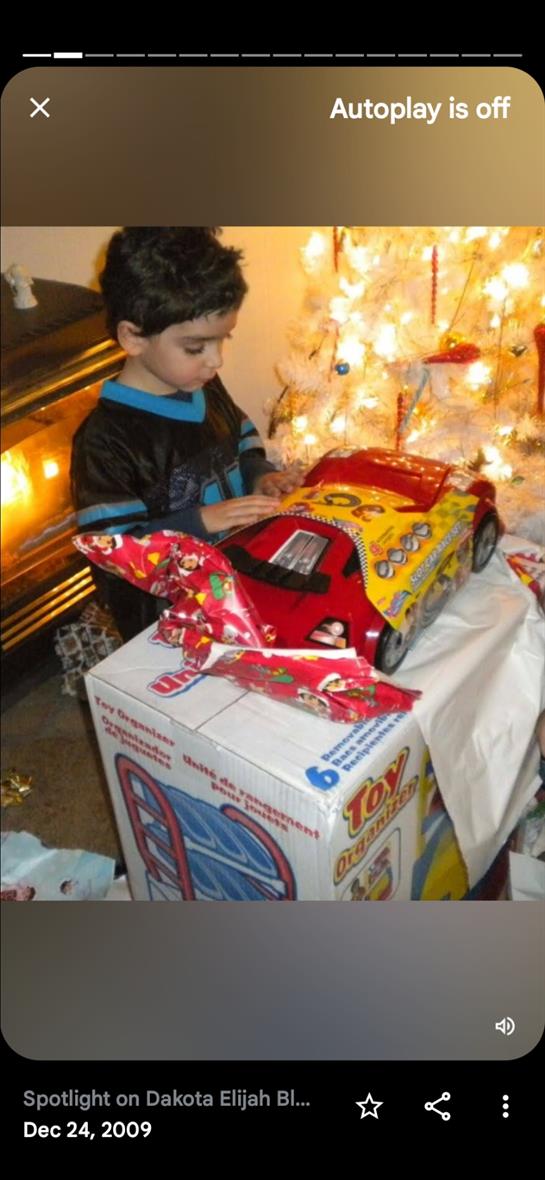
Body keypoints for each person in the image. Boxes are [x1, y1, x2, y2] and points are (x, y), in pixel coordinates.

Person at [71, 228, 300, 640]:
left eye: (221, 341)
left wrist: (261, 476)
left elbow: (242, 443)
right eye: (196, 348)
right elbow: (115, 554)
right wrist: (201, 521)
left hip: (236, 588)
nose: (216, 361)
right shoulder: (104, 442)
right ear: (133, 336)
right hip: (170, 623)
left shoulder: (202, 386)